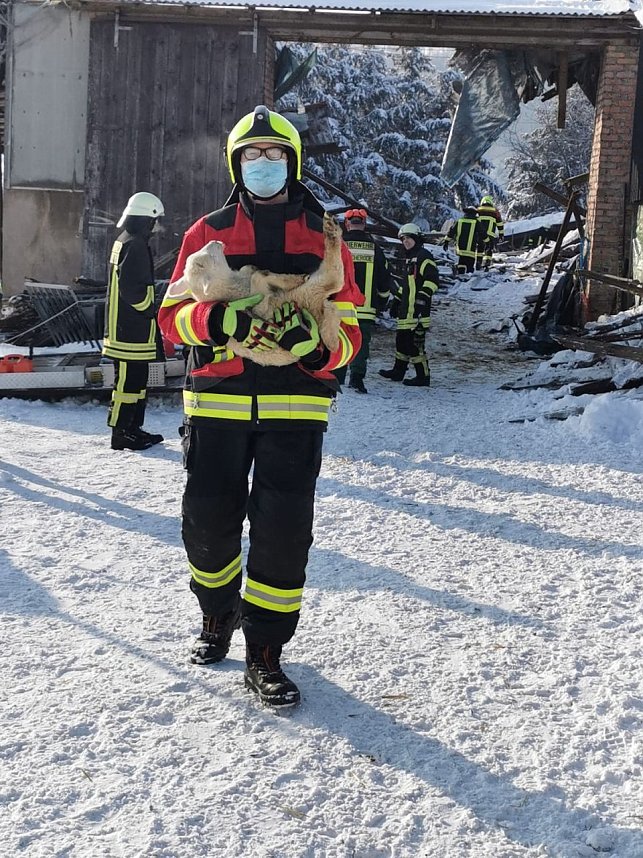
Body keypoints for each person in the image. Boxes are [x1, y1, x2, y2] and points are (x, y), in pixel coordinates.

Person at [158, 105, 361, 708]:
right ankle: (217, 613)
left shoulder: (324, 237)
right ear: (236, 164)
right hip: (217, 405)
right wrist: (214, 320)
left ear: (291, 163)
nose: (264, 164)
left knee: (283, 534)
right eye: (252, 155)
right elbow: (170, 317)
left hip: (295, 410)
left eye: (275, 155)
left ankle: (266, 653)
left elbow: (350, 327)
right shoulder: (206, 232)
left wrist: (317, 348)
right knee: (206, 525)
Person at [103, 192, 165, 451]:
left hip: (130, 329)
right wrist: (150, 308)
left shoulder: (126, 240)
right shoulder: (135, 245)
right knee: (127, 385)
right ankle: (121, 433)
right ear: (147, 219)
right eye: (155, 221)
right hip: (130, 331)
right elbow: (132, 290)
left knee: (136, 383)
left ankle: (133, 429)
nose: (157, 227)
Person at [334, 208, 393, 394]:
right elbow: (385, 280)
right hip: (366, 308)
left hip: (339, 307)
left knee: (339, 340)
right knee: (360, 343)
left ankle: (337, 378)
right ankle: (357, 378)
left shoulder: (338, 246)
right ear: (364, 224)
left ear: (347, 224)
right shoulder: (375, 249)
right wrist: (382, 301)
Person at [379, 223, 438, 387]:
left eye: (409, 238)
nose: (405, 241)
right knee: (401, 342)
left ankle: (423, 376)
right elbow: (406, 286)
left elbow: (433, 280)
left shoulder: (424, 257)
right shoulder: (410, 259)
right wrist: (397, 301)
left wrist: (422, 299)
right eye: (403, 239)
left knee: (415, 346)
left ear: (417, 238)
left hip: (418, 312)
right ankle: (398, 371)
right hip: (406, 311)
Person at [443, 206, 487, 276]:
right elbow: (483, 233)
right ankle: (468, 278)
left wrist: (446, 242)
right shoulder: (476, 222)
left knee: (461, 264)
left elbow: (451, 232)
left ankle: (460, 277)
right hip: (470, 250)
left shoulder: (459, 221)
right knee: (470, 267)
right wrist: (488, 242)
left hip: (460, 249)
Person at [477, 195, 505, 271]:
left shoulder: (478, 210)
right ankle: (486, 264)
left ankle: (478, 263)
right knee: (488, 249)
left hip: (479, 234)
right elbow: (500, 224)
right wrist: (501, 234)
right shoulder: (495, 212)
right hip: (490, 234)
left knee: (480, 249)